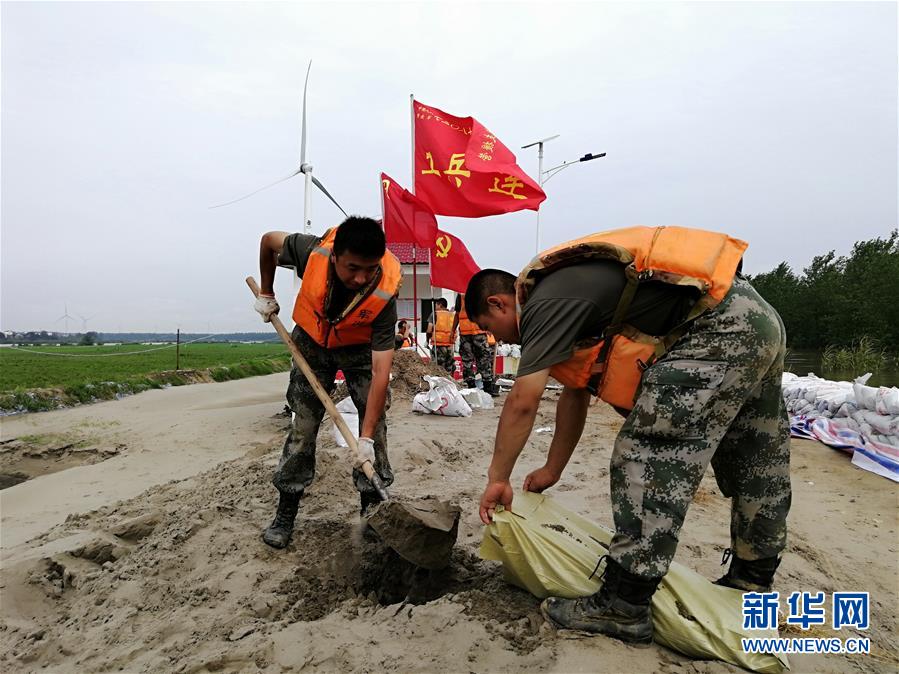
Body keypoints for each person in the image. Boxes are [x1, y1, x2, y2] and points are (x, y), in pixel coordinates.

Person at [463, 226, 791, 646]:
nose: (495, 337)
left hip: (717, 328)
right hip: (755, 318)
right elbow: (575, 393)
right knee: (755, 457)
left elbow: (522, 403)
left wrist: (497, 477)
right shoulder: (567, 298)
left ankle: (624, 604)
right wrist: (551, 468)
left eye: (488, 325)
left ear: (499, 302)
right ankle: (753, 581)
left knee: (647, 452)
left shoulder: (543, 303)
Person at [254, 216, 400, 549]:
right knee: (302, 428)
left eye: (369, 268)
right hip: (311, 342)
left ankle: (372, 509)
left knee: (375, 431)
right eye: (352, 268)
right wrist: (266, 291)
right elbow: (268, 240)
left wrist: (363, 438)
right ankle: (286, 509)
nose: (361, 278)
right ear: (335, 256)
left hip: (360, 349)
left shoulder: (384, 293)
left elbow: (380, 374)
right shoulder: (312, 251)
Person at [453, 293, 499, 396]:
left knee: (472, 361)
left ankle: (475, 387)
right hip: (475, 334)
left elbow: (457, 314)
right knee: (481, 359)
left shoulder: (462, 295)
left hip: (471, 333)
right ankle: (484, 387)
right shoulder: (479, 291)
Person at [426, 297, 455, 375]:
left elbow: (429, 329)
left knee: (438, 369)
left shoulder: (435, 314)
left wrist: (427, 340)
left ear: (440, 305)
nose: (435, 307)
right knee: (449, 369)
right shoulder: (452, 315)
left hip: (438, 346)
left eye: (436, 305)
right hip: (450, 346)